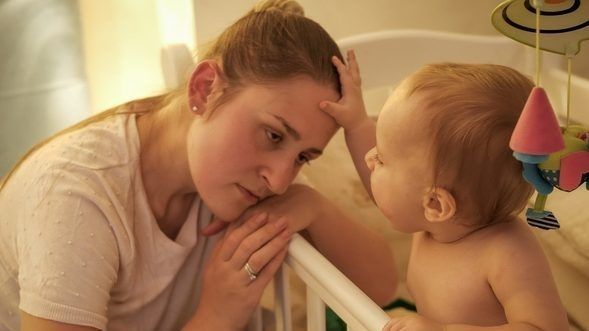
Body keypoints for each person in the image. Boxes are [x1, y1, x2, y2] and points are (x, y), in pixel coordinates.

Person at [0, 2, 398, 330]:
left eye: (302, 157)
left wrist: (311, 205)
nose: (278, 181)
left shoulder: (237, 179)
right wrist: (217, 316)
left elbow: (380, 289)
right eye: (273, 135)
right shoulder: (77, 196)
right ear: (204, 88)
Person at [320, 53, 569, 331]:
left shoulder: (507, 253)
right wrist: (356, 124)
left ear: (436, 204)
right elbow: (388, 193)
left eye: (381, 159)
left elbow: (545, 328)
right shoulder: (428, 221)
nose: (370, 158)